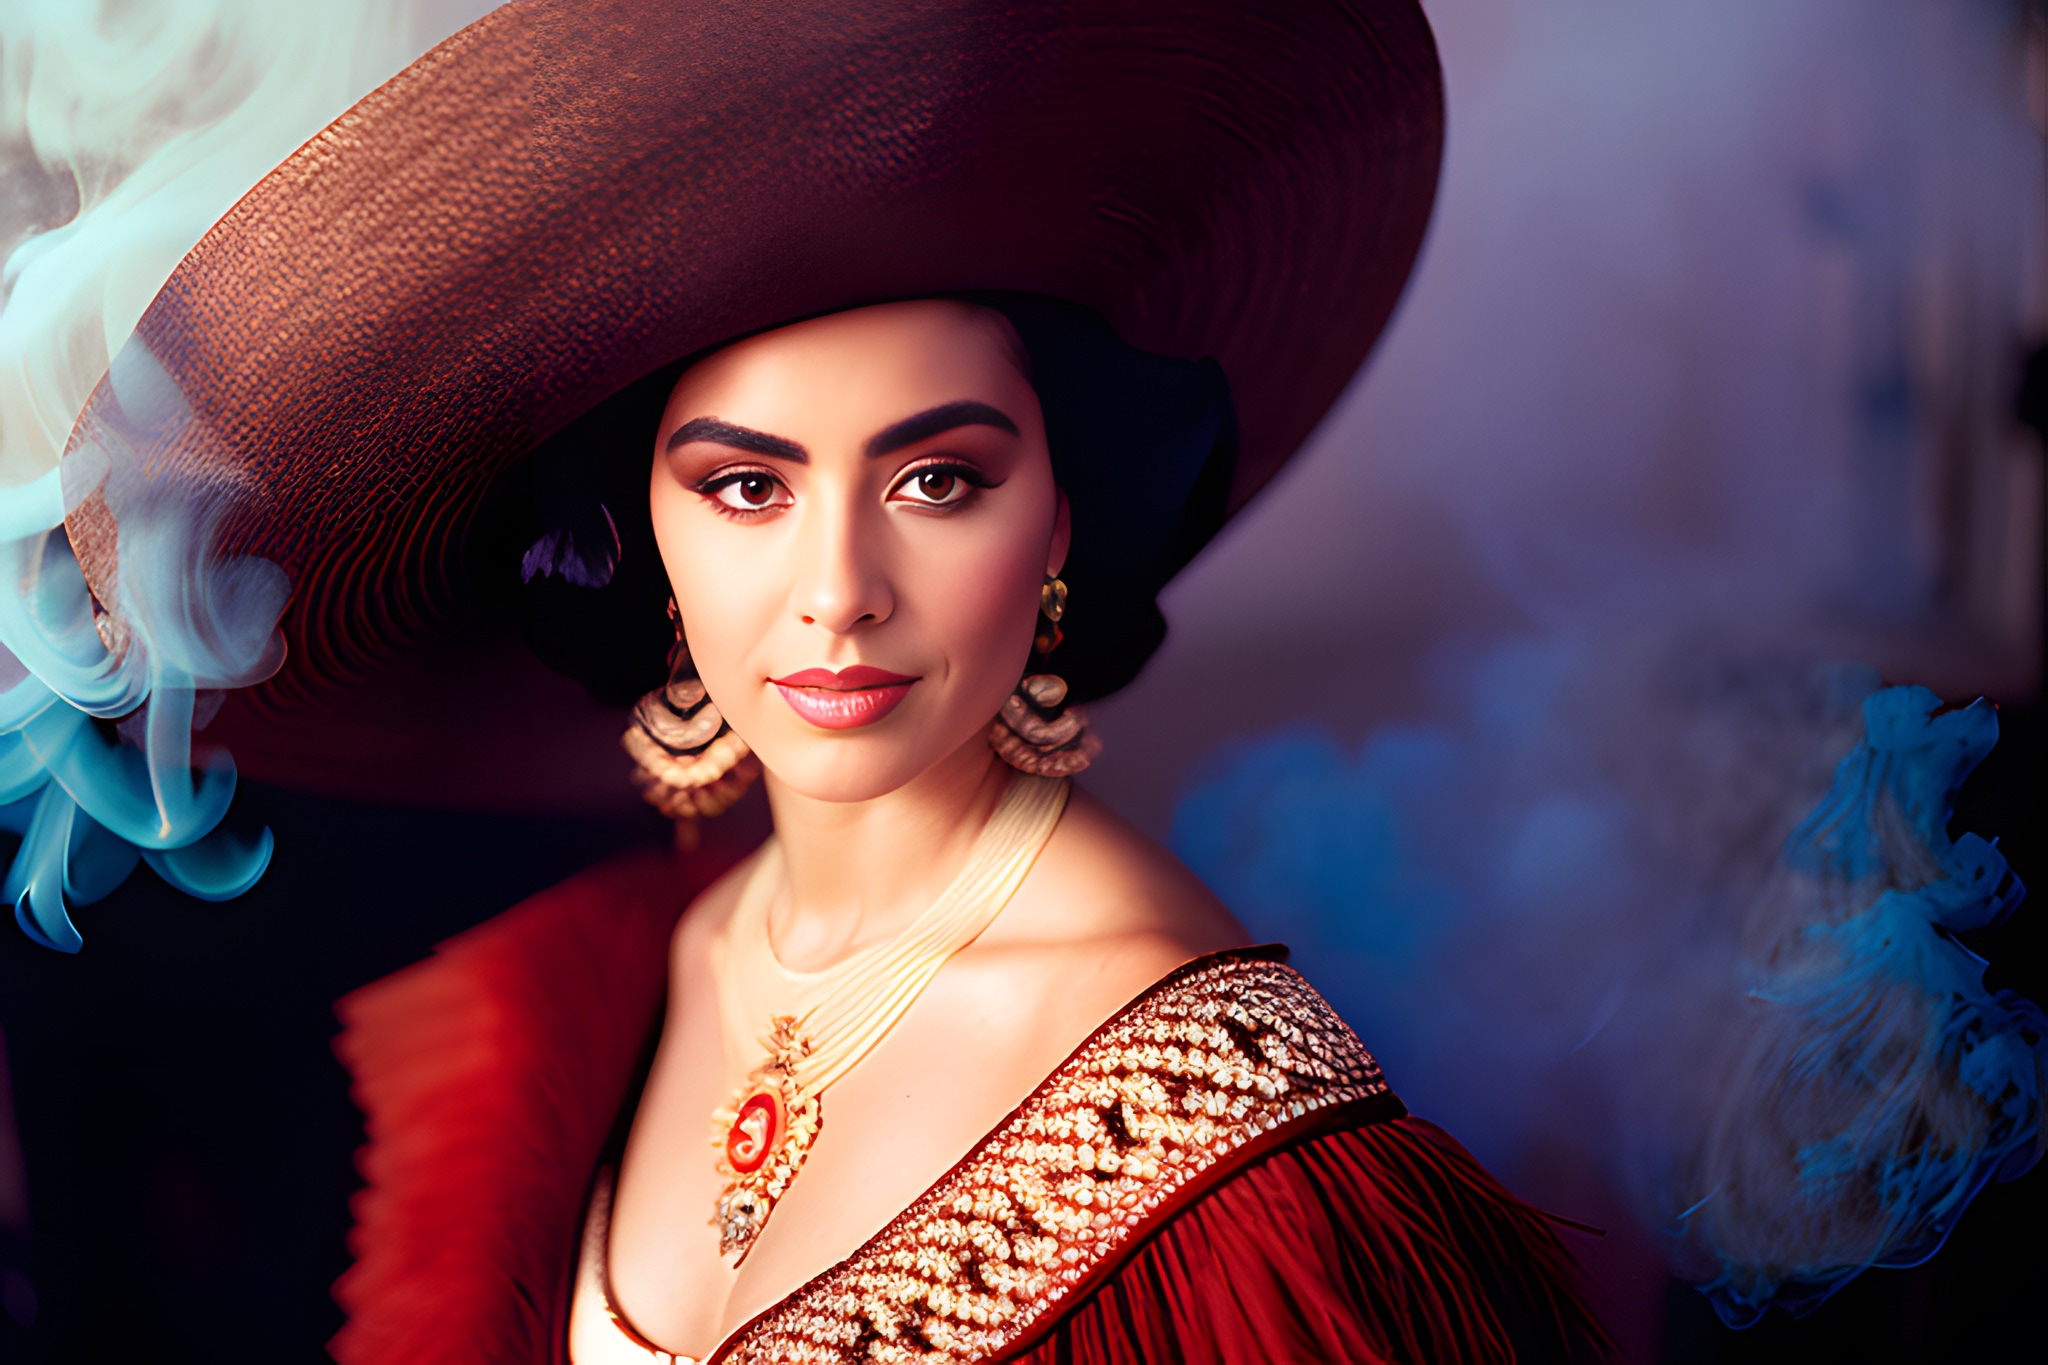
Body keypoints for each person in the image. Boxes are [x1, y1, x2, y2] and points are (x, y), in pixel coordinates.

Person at [2, 1, 1613, 1359]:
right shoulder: (605, 978)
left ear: (1061, 518)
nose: (839, 593)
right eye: (747, 486)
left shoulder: (1236, 1153)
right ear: (640, 539)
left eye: (937, 481)